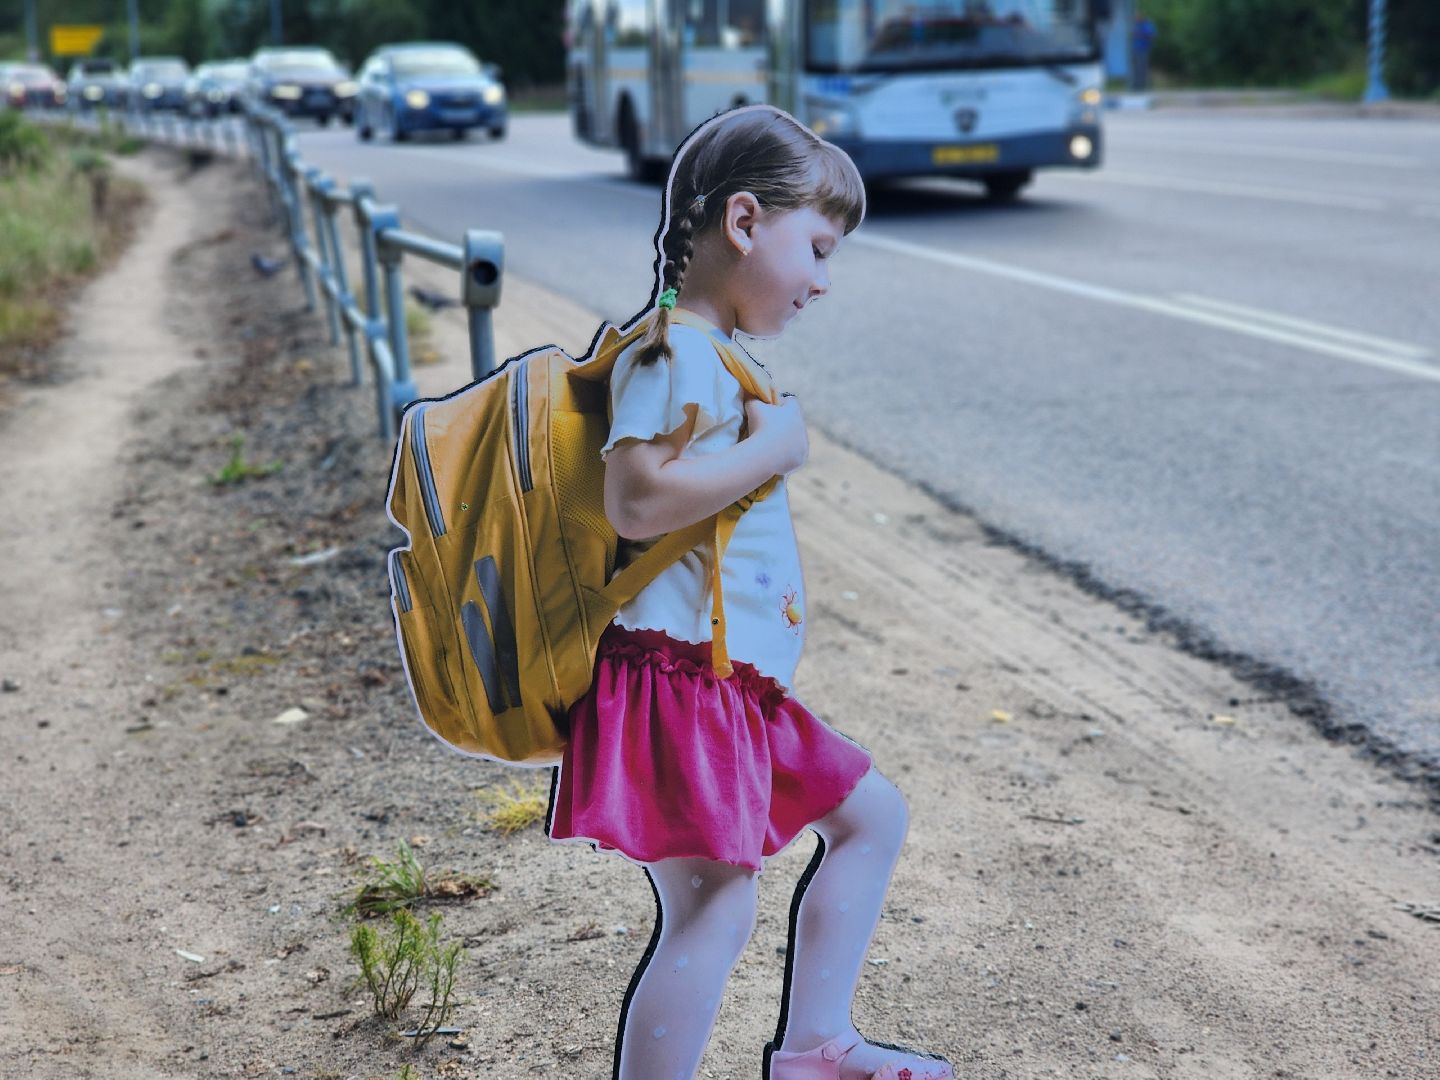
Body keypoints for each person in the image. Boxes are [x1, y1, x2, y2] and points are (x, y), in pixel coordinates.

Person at [546, 104, 954, 1080]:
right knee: (713, 904)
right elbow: (638, 498)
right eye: (815, 248)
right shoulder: (675, 350)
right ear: (741, 224)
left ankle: (815, 1047)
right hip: (677, 682)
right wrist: (776, 445)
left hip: (726, 685)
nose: (821, 280)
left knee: (870, 817)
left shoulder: (708, 354)